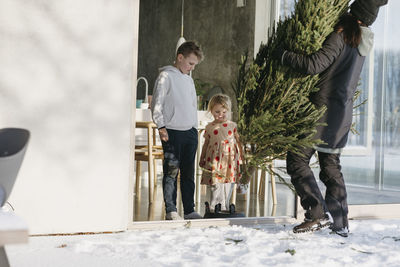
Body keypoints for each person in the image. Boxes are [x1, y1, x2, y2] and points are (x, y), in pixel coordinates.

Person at [279, 0, 388, 237]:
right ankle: (340, 223)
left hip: (321, 113)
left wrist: (283, 55)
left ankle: (317, 214)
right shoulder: (361, 43)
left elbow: (313, 65)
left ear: (353, 13)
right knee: (330, 167)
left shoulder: (341, 37)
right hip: (342, 115)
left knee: (296, 160)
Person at [151, 41, 204, 220]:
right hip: (172, 131)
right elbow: (156, 104)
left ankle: (189, 209)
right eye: (190, 63)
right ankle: (171, 210)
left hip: (190, 132)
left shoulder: (188, 79)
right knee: (171, 171)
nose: (191, 68)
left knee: (189, 173)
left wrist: (194, 129)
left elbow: (192, 104)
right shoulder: (166, 76)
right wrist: (161, 126)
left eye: (194, 65)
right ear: (180, 57)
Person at [199, 94, 244, 211]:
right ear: (211, 111)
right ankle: (214, 203)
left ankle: (224, 203)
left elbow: (239, 142)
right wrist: (202, 157)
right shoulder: (209, 127)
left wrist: (242, 157)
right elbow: (206, 144)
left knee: (227, 180)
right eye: (217, 112)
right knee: (215, 181)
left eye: (224, 112)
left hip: (228, 158)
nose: (220, 115)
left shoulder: (232, 125)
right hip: (214, 158)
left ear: (228, 111)